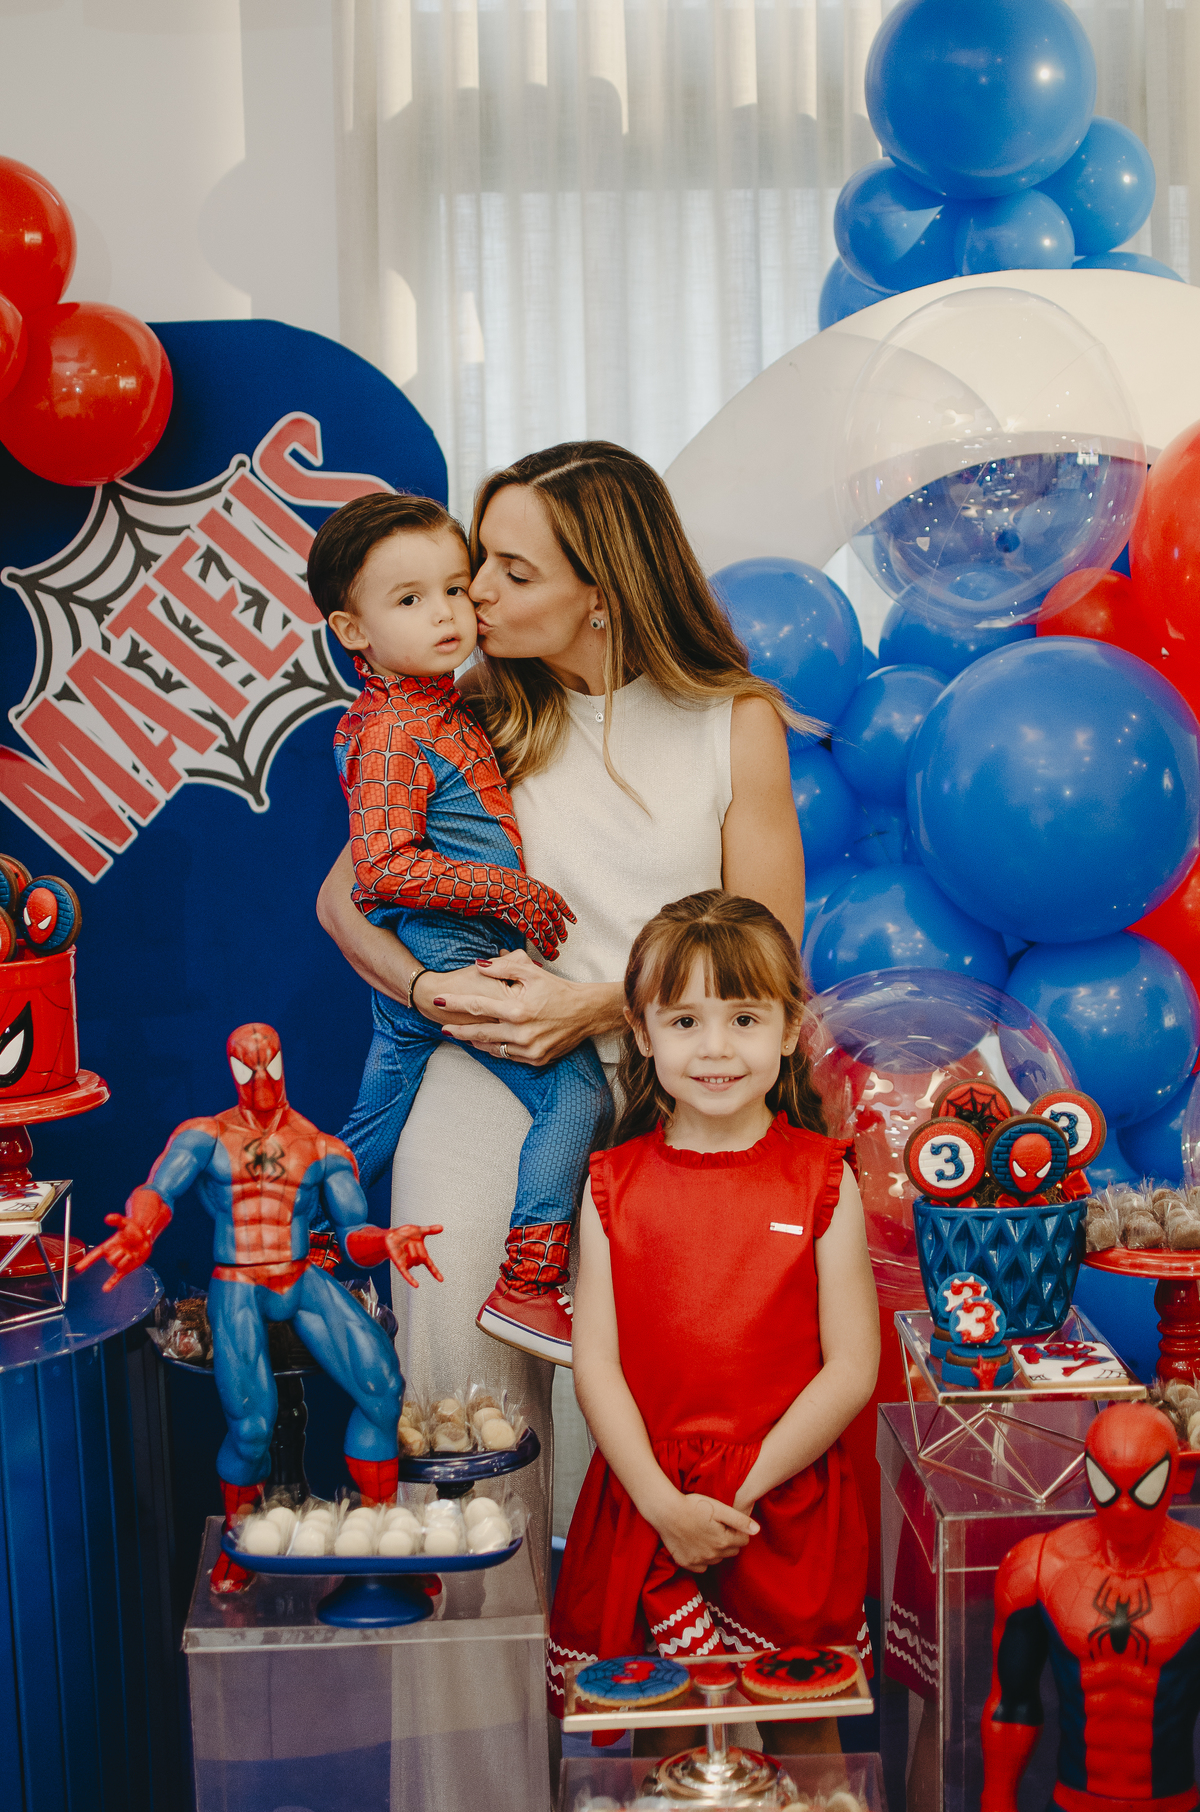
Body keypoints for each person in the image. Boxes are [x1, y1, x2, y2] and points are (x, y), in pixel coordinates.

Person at [315, 441, 810, 1590]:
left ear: (602, 589)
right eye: (475, 562)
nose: (473, 593)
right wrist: (433, 992)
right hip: (481, 1079)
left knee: (620, 1417)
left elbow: (765, 959)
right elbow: (344, 899)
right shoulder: (471, 710)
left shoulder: (732, 723)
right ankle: (471, 1743)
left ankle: (619, 1717)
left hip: (655, 1102)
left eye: (509, 570)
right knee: (456, 1388)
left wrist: (598, 1003)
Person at [548, 891, 880, 1756]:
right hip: (648, 1505)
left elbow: (850, 1369)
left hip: (785, 1504)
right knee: (671, 1742)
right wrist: (666, 1506)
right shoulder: (611, 1184)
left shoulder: (822, 1179)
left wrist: (733, 1495)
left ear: (787, 1028)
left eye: (742, 1016)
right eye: (686, 1020)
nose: (717, 1047)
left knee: (808, 1743)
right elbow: (598, 1371)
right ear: (642, 1031)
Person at [307, 492, 612, 1365]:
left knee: (372, 1121)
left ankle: (303, 1244)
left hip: (442, 947)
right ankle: (528, 1276)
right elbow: (383, 869)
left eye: (453, 586)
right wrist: (506, 894)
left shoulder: (446, 703)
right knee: (577, 1093)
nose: (446, 612)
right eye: (408, 600)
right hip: (455, 945)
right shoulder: (391, 730)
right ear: (352, 628)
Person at [76, 1023, 443, 1593]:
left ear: (282, 1061)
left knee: (382, 1388)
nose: (260, 1078)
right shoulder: (205, 1136)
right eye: (247, 1067)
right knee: (251, 1427)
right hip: (238, 1282)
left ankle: (385, 1534)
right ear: (231, 1068)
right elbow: (160, 1188)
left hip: (300, 1276)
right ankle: (242, 1543)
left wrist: (386, 1240)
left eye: (268, 1063)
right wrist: (141, 1228)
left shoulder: (321, 1147)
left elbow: (353, 1235)